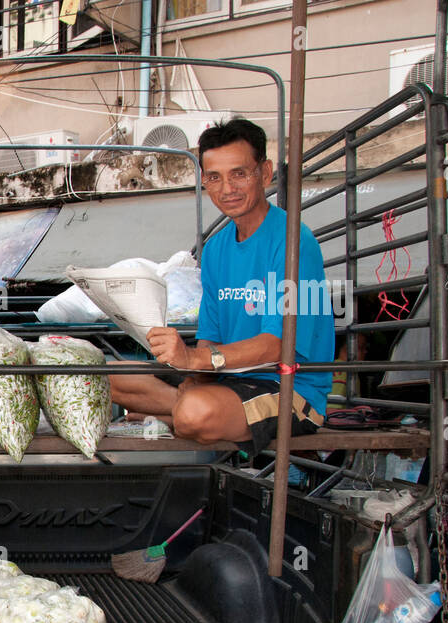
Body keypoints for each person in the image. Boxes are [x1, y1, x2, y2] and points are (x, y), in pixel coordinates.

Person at [109, 118, 334, 454]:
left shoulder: (292, 242)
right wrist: (192, 374)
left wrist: (195, 360)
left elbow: (278, 346)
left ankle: (176, 413)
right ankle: (180, 406)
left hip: (288, 388)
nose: (227, 188)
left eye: (239, 173)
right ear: (205, 182)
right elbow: (210, 335)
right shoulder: (215, 248)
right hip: (227, 380)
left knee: (195, 412)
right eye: (215, 177)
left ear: (265, 172)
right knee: (104, 373)